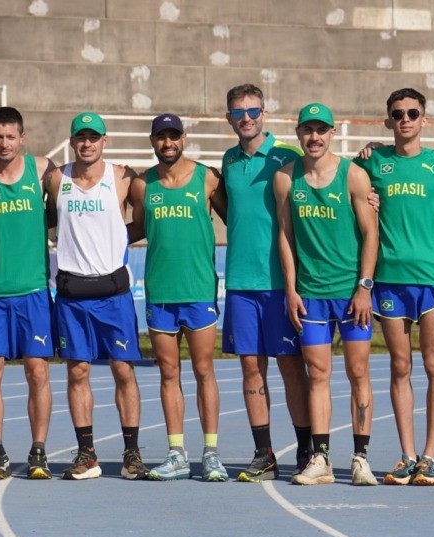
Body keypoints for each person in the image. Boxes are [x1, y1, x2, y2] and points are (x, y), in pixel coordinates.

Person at [354, 88, 434, 486]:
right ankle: (407, 455)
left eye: (412, 113)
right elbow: (338, 181)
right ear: (388, 121)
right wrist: (367, 155)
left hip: (431, 278)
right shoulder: (372, 162)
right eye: (398, 114)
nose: (405, 119)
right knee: (400, 366)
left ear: (424, 120)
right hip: (389, 280)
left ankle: (430, 457)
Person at [275, 103, 380, 486]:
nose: (314, 137)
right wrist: (291, 288)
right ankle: (320, 459)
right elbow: (285, 236)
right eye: (308, 130)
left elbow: (371, 233)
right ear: (298, 133)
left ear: (332, 133)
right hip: (311, 295)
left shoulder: (353, 176)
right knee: (317, 374)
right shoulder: (286, 179)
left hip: (351, 294)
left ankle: (361, 458)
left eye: (321, 130)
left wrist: (364, 287)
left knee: (358, 372)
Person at [215, 84, 314, 483]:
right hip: (241, 281)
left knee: (291, 367)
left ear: (265, 113)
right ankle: (264, 454)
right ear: (229, 118)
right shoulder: (228, 160)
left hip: (281, 282)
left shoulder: (288, 157)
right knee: (251, 369)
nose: (247, 118)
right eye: (239, 112)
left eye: (253, 111)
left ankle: (306, 450)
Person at [128, 113, 227, 482]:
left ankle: (211, 453)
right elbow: (137, 228)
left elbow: (238, 219)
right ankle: (176, 454)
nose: (167, 143)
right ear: (153, 141)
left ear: (183, 138)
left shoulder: (208, 179)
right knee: (169, 372)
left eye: (173, 136)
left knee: (204, 370)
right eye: (161, 137)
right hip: (160, 292)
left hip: (198, 289)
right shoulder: (142, 185)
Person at [45, 113, 144, 480]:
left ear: (105, 140)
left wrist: (116, 237)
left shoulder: (122, 177)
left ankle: (132, 454)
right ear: (73, 142)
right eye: (81, 137)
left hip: (112, 292)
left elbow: (143, 222)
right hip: (73, 292)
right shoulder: (57, 179)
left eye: (93, 137)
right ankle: (86, 454)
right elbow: (48, 221)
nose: (87, 143)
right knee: (77, 371)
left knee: (123, 370)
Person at [0, 107, 58, 480]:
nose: (4, 144)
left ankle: (39, 451)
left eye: (10, 137)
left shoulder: (42, 170)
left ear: (22, 137)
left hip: (33, 289)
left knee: (37, 371)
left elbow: (60, 213)